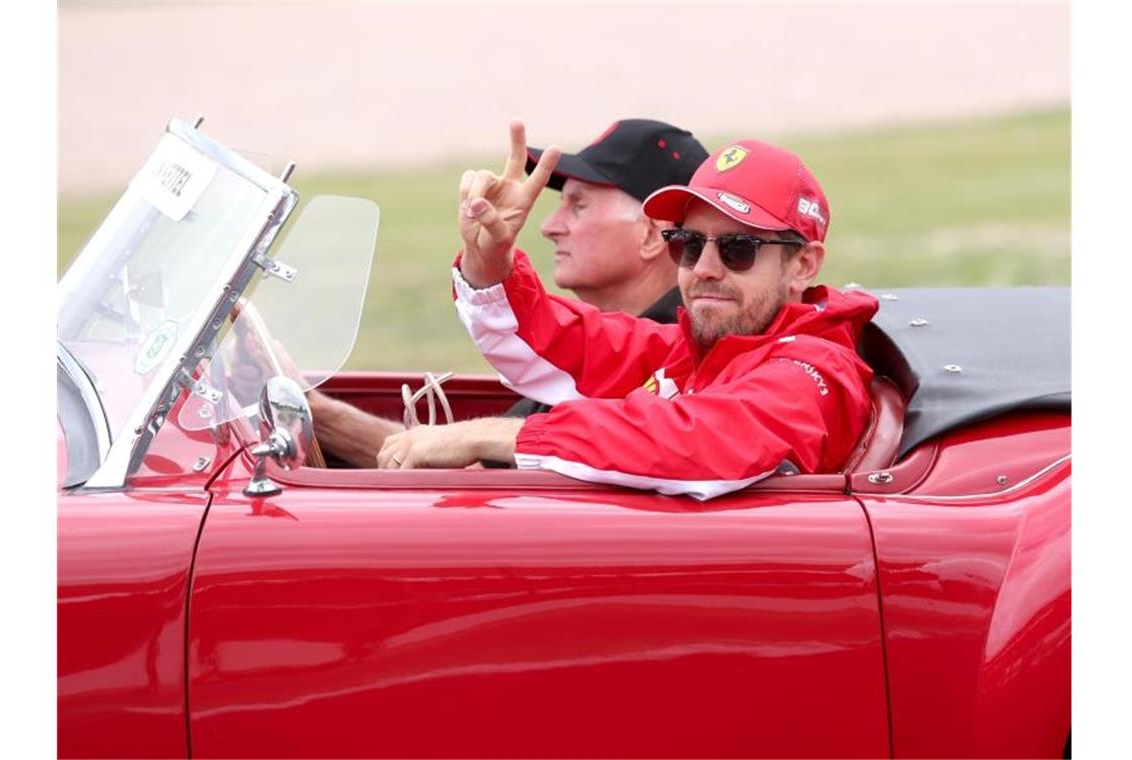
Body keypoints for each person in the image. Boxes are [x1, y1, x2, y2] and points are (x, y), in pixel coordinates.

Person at [376, 122, 879, 501]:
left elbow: (697, 441)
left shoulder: (813, 369)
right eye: (686, 243)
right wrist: (492, 258)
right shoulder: (704, 348)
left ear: (803, 266)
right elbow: (565, 342)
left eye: (737, 249)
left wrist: (490, 435)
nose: (703, 267)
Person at [311, 119, 708, 465]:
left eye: (578, 206)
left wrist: (316, 414)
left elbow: (464, 479)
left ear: (652, 235)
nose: (550, 226)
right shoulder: (624, 347)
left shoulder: (665, 368)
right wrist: (488, 262)